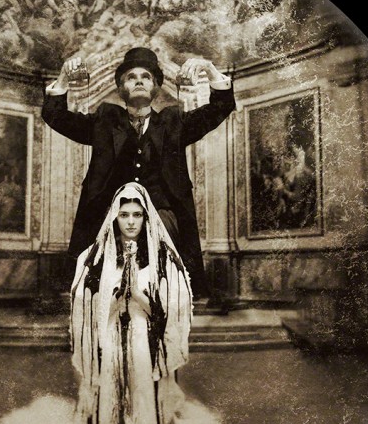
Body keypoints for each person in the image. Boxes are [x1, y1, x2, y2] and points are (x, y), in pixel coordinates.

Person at [42, 46, 236, 298]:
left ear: (155, 86)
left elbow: (221, 107)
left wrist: (209, 69)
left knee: (164, 280)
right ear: (121, 87)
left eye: (146, 77)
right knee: (101, 283)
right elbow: (55, 116)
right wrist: (62, 79)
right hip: (111, 216)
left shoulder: (174, 122)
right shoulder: (105, 120)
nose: (139, 81)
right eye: (131, 77)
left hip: (163, 216)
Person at [70, 182, 193, 424]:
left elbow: (170, 309)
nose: (130, 222)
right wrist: (113, 300)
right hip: (109, 332)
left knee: (141, 375)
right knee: (109, 376)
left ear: (146, 218)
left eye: (137, 215)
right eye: (124, 215)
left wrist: (137, 295)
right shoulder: (95, 258)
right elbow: (84, 304)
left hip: (143, 333)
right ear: (115, 217)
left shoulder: (162, 259)